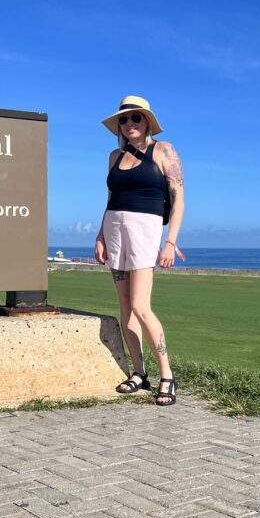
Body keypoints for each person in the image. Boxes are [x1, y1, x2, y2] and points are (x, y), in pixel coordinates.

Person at [94, 96, 185, 406]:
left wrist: (170, 241)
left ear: (147, 122)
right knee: (124, 306)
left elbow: (179, 199)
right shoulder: (113, 156)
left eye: (136, 118)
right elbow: (110, 198)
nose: (129, 124)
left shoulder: (164, 151)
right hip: (114, 229)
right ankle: (138, 372)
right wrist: (100, 235)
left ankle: (167, 375)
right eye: (124, 120)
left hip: (145, 232)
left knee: (141, 305)